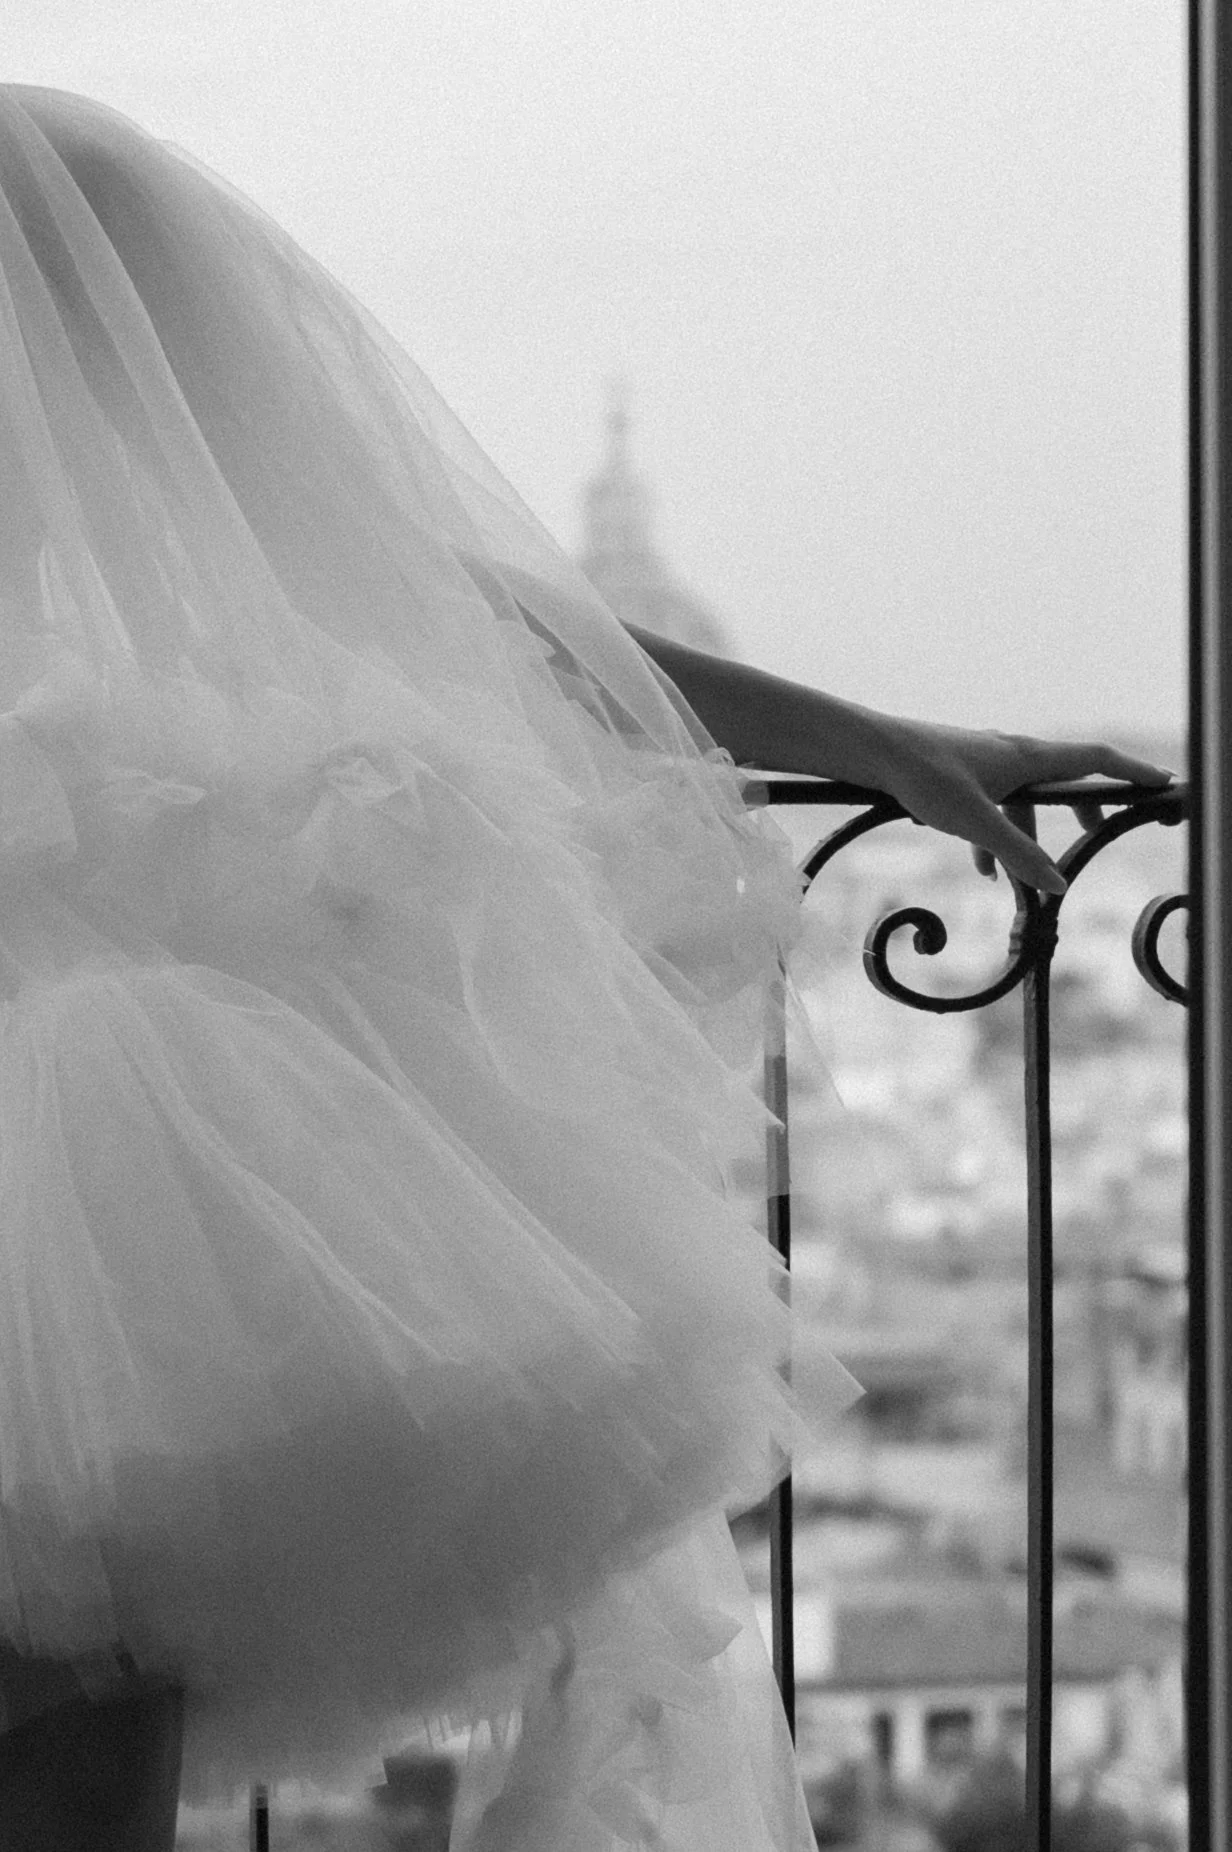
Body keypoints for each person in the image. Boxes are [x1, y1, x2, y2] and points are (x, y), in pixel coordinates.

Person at [0, 84, 1170, 1852]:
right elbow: (465, 607)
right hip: (121, 1252)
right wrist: (885, 743)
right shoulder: (154, 570)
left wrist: (889, 741)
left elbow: (466, 605)